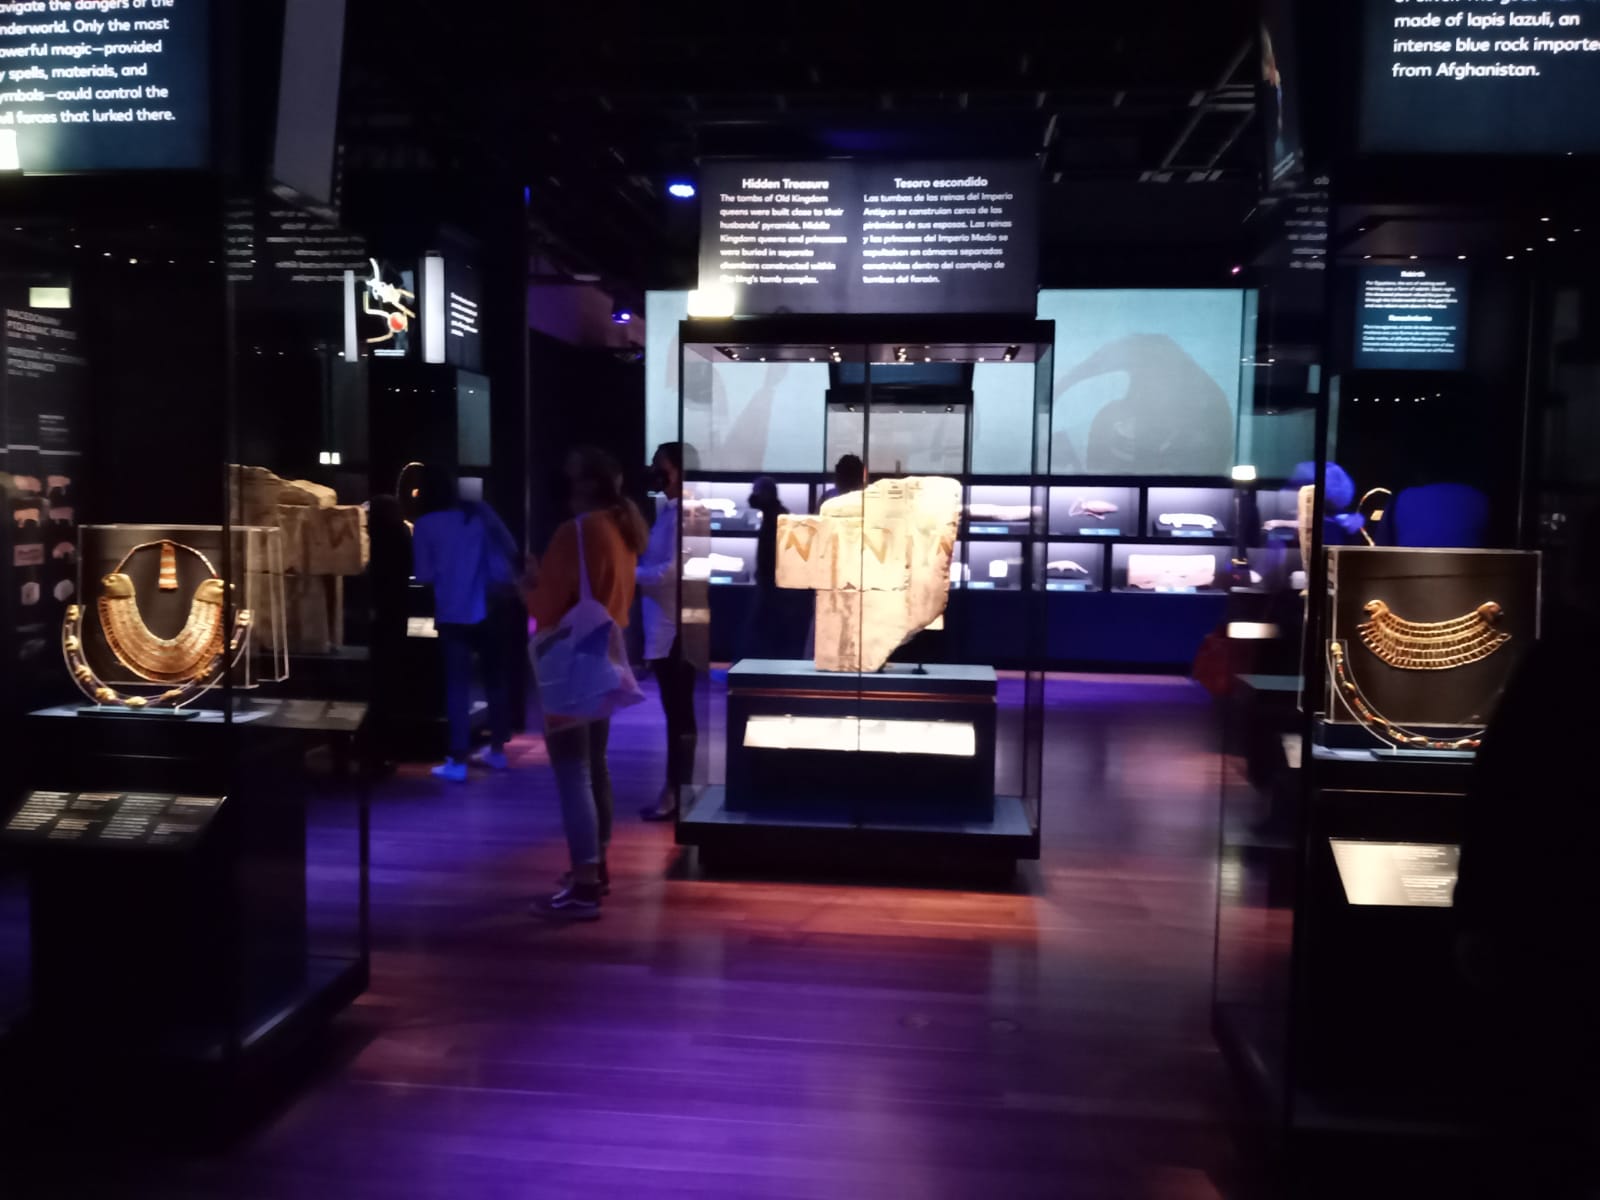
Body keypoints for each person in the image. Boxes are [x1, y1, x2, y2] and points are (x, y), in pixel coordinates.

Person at [1456, 518, 1600, 1198]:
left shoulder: (1558, 666)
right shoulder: (1557, 663)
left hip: (1546, 913)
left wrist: (1476, 913)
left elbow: (1503, 794)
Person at [524, 447, 649, 919]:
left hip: (571, 663)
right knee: (596, 765)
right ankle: (597, 866)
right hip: (605, 656)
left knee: (571, 770)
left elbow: (544, 607)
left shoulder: (574, 532)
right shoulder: (621, 529)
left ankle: (584, 884)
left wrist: (525, 585)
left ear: (585, 484)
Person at [411, 464, 518, 782]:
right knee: (495, 679)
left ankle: (457, 760)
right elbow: (510, 547)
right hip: (490, 606)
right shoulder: (478, 515)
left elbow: (424, 574)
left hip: (451, 611)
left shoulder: (425, 524)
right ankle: (497, 750)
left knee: (457, 685)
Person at [636, 442, 698, 821]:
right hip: (667, 624)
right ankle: (677, 788)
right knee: (677, 713)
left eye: (660, 465)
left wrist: (630, 574)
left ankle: (676, 790)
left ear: (677, 469)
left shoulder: (684, 512)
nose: (655, 472)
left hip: (674, 627)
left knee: (678, 713)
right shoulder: (671, 511)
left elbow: (670, 572)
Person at [364, 494, 412, 772]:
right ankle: (385, 750)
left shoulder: (378, 537)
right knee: (389, 684)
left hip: (381, 616)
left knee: (378, 686)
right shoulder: (401, 534)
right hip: (396, 614)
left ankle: (375, 750)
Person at [742, 476, 790, 660]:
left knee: (762, 625)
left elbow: (772, 551)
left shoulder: (775, 516)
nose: (752, 497)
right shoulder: (776, 514)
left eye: (756, 492)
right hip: (771, 579)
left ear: (766, 493)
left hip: (771, 581)